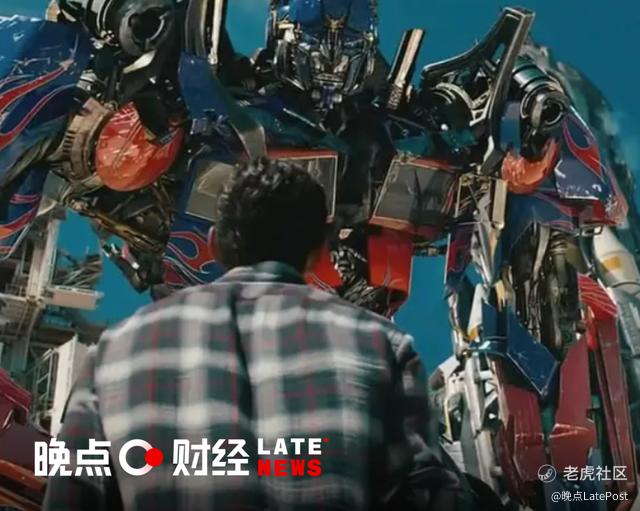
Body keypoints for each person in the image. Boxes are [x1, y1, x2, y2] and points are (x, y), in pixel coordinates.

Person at [43, 159, 471, 511]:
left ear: (214, 244)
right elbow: (431, 496)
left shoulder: (115, 353)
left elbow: (71, 494)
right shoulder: (383, 348)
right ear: (318, 253)